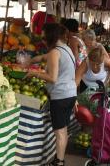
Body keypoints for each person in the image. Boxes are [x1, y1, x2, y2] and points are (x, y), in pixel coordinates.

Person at [25, 23, 76, 166]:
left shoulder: (55, 52)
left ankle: (58, 162)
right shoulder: (66, 49)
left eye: (44, 36)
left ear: (50, 37)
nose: (42, 39)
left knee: (59, 131)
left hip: (60, 96)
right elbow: (44, 57)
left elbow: (52, 78)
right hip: (70, 94)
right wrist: (32, 60)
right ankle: (59, 159)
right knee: (63, 129)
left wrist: (34, 73)